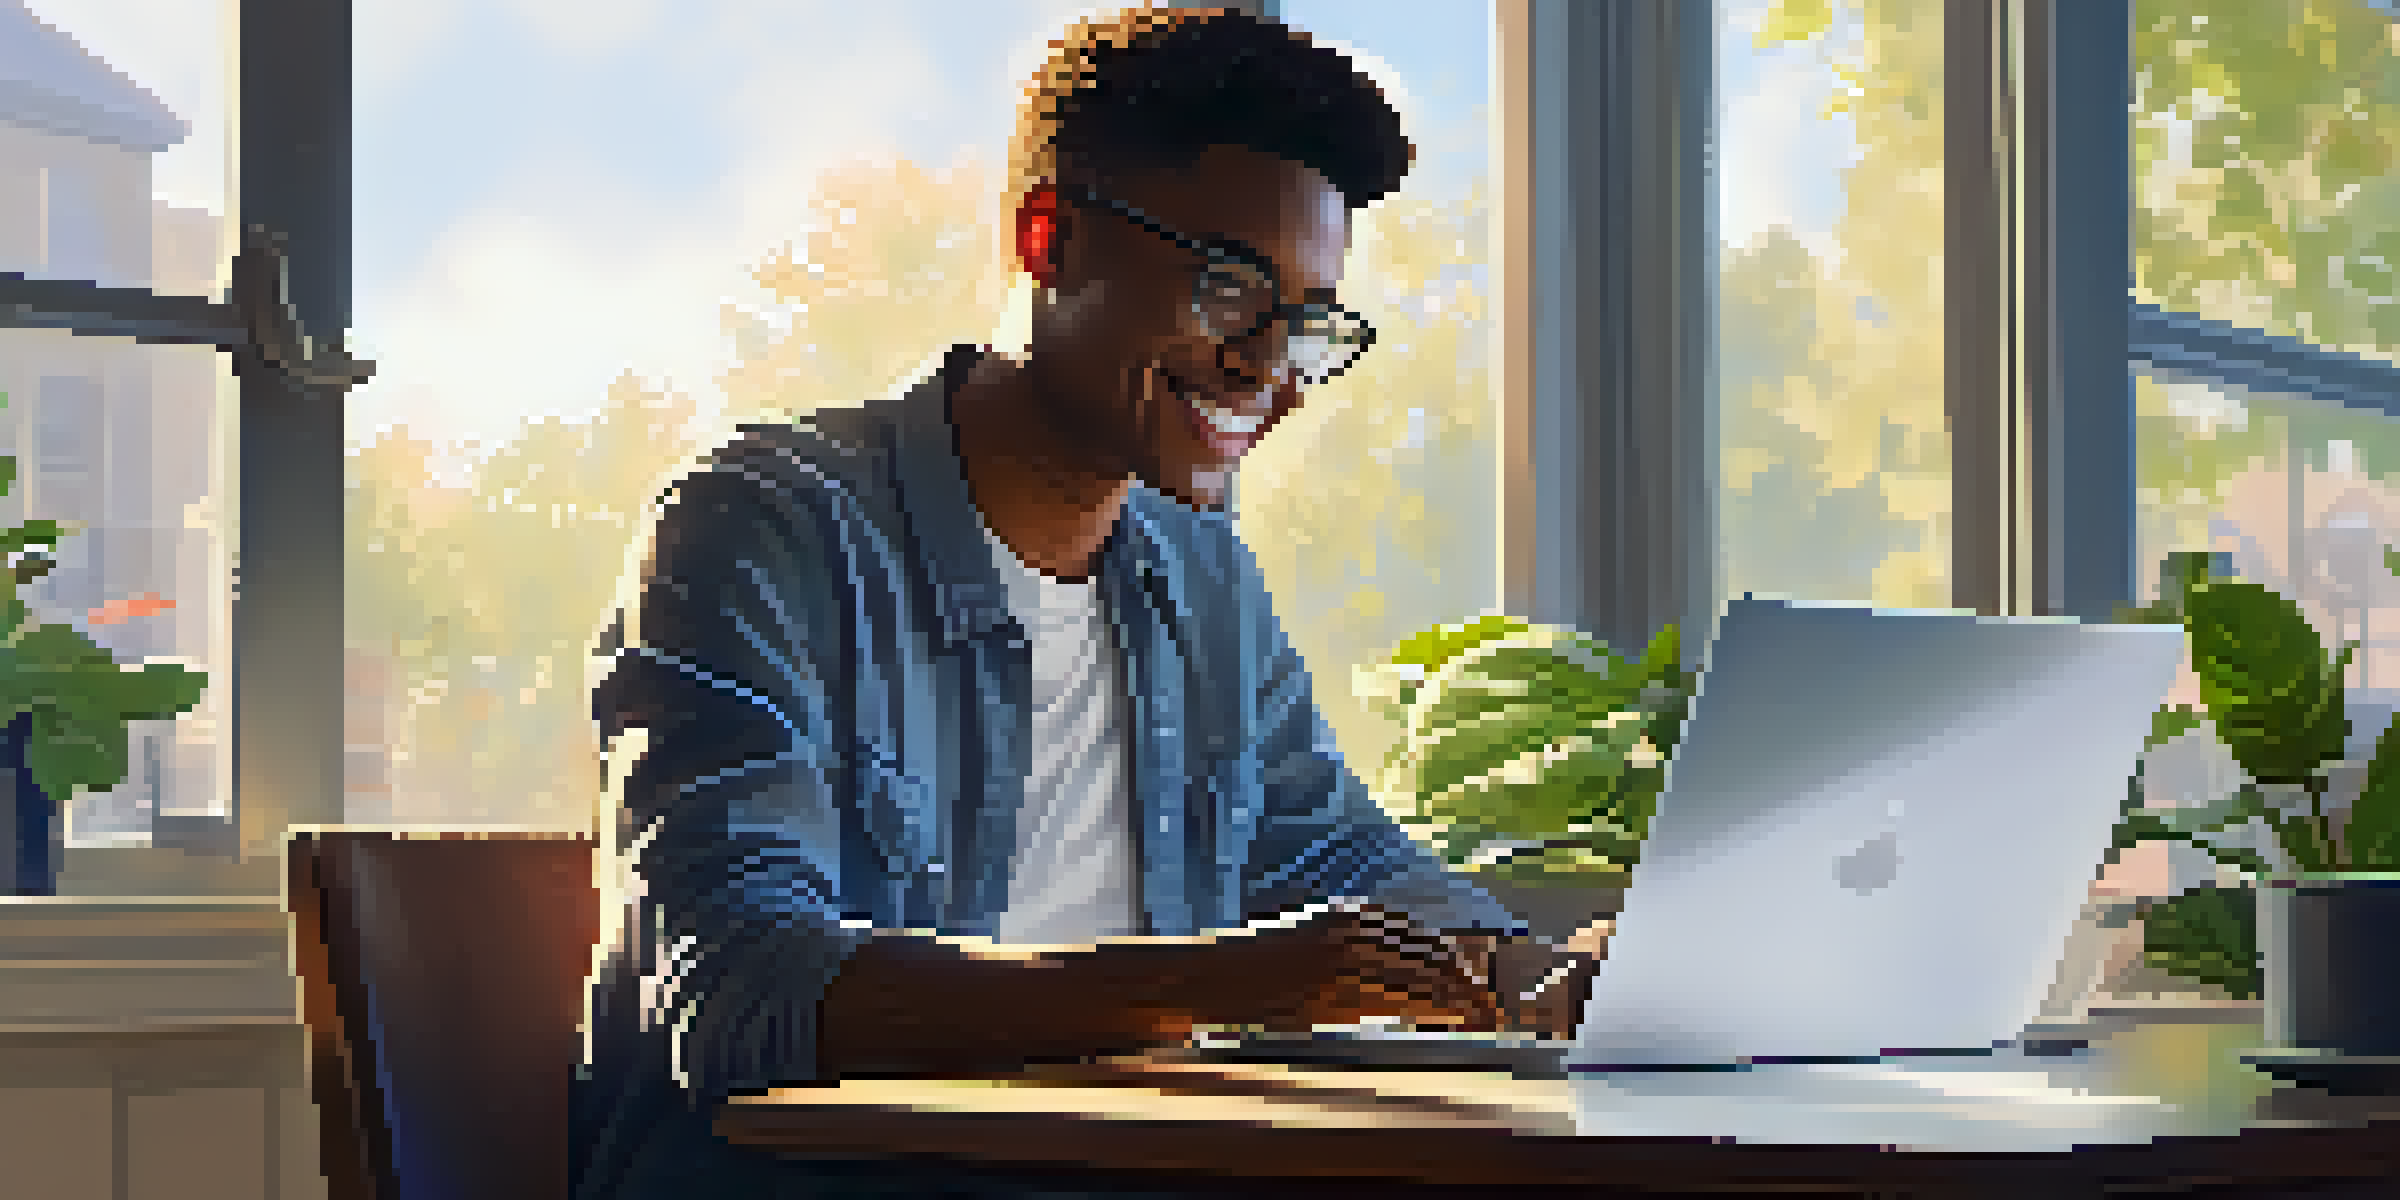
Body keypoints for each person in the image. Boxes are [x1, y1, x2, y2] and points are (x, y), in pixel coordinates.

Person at [572, 8, 1593, 1197]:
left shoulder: (1198, 571)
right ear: (1049, 236)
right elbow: (740, 986)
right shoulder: (765, 528)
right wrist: (1219, 985)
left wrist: (1535, 974)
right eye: (1228, 289)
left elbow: (1329, 849)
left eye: (1305, 324)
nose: (1267, 367)